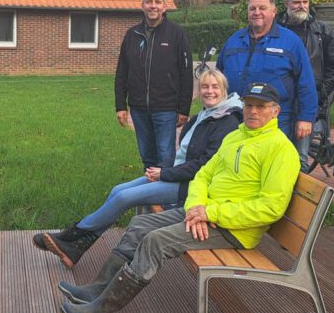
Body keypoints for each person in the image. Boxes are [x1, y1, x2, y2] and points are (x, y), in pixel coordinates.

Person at [58, 82, 300, 313]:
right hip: (204, 214)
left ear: (276, 111)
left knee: (156, 241)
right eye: (249, 105)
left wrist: (210, 212)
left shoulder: (281, 150)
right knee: (141, 224)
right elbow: (203, 175)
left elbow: (271, 207)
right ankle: (97, 290)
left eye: (261, 107)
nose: (253, 111)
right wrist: (197, 206)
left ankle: (100, 312)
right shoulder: (235, 136)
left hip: (234, 228)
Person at [33, 68, 243, 268]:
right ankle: (75, 247)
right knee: (118, 190)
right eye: (205, 86)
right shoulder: (205, 116)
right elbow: (184, 156)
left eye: (215, 87)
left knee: (124, 199)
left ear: (224, 90)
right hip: (176, 175)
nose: (209, 91)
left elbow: (204, 166)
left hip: (192, 186)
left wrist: (164, 173)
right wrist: (163, 171)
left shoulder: (227, 121)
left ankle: (71, 236)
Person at [217, 0, 317, 145]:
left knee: (271, 163)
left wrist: (306, 118)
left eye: (262, 8)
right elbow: (218, 77)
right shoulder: (234, 40)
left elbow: (306, 82)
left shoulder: (290, 42)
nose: (257, 13)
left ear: (273, 11)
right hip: (235, 116)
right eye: (252, 9)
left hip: (276, 119)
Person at [114, 0, 193, 169]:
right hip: (138, 108)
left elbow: (186, 74)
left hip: (166, 108)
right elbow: (122, 72)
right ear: (142, 6)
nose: (153, 6)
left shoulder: (176, 34)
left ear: (164, 7)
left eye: (158, 2)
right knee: (147, 156)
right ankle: (149, 193)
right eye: (149, 2)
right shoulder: (132, 35)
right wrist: (120, 105)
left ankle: (164, 196)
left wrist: (184, 109)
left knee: (166, 157)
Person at [275, 0, 334, 168]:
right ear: (286, 4)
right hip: (277, 101)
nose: (301, 6)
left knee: (300, 157)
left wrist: (319, 95)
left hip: (306, 102)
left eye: (305, 2)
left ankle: (297, 196)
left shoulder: (322, 32)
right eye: (296, 2)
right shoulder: (274, 29)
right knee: (273, 153)